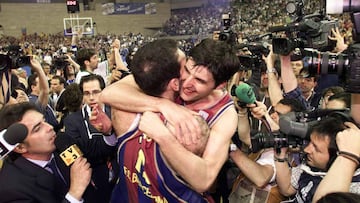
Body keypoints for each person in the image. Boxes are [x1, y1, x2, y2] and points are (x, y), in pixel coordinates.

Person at [100, 38, 240, 193]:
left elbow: (204, 179)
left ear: (219, 85)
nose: (187, 83)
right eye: (187, 70)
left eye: (199, 80)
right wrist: (163, 105)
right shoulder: (172, 75)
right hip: (137, 185)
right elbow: (108, 94)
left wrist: (162, 136)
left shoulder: (224, 114)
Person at [0, 102, 92, 203]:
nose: (49, 127)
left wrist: (107, 134)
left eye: (44, 121)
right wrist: (74, 194)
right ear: (20, 147)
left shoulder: (61, 142)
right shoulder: (12, 190)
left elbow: (93, 152)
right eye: (38, 128)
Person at [274, 115, 360, 202]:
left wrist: (347, 156)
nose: (307, 150)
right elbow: (287, 189)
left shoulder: (353, 192)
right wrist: (280, 156)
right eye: (310, 142)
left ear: (336, 157)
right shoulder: (312, 165)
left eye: (316, 148)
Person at [63, 74, 118, 203]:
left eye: (96, 92)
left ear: (104, 91)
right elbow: (75, 155)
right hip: (93, 182)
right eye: (86, 93)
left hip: (121, 175)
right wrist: (109, 137)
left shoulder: (117, 112)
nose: (92, 97)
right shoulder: (71, 121)